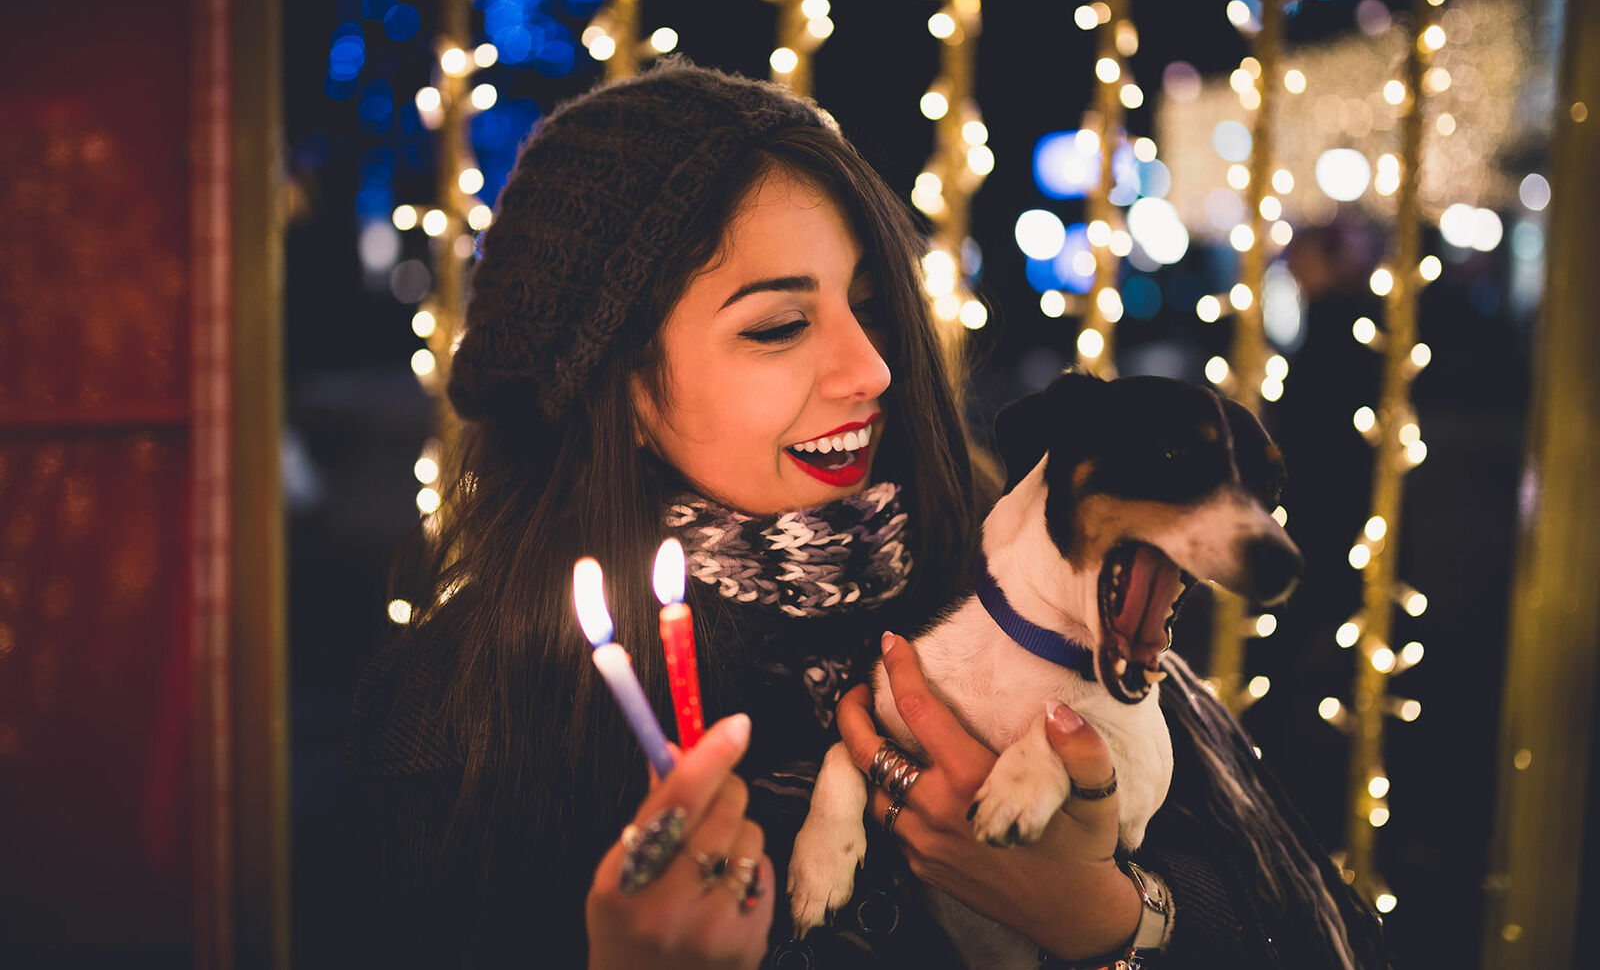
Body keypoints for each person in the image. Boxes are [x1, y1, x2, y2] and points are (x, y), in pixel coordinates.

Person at [347, 60, 1394, 969]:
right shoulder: (471, 706)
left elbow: (1309, 921)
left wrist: (1111, 914)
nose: (871, 367)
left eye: (874, 306)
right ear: (615, 384)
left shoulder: (1016, 573)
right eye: (781, 325)